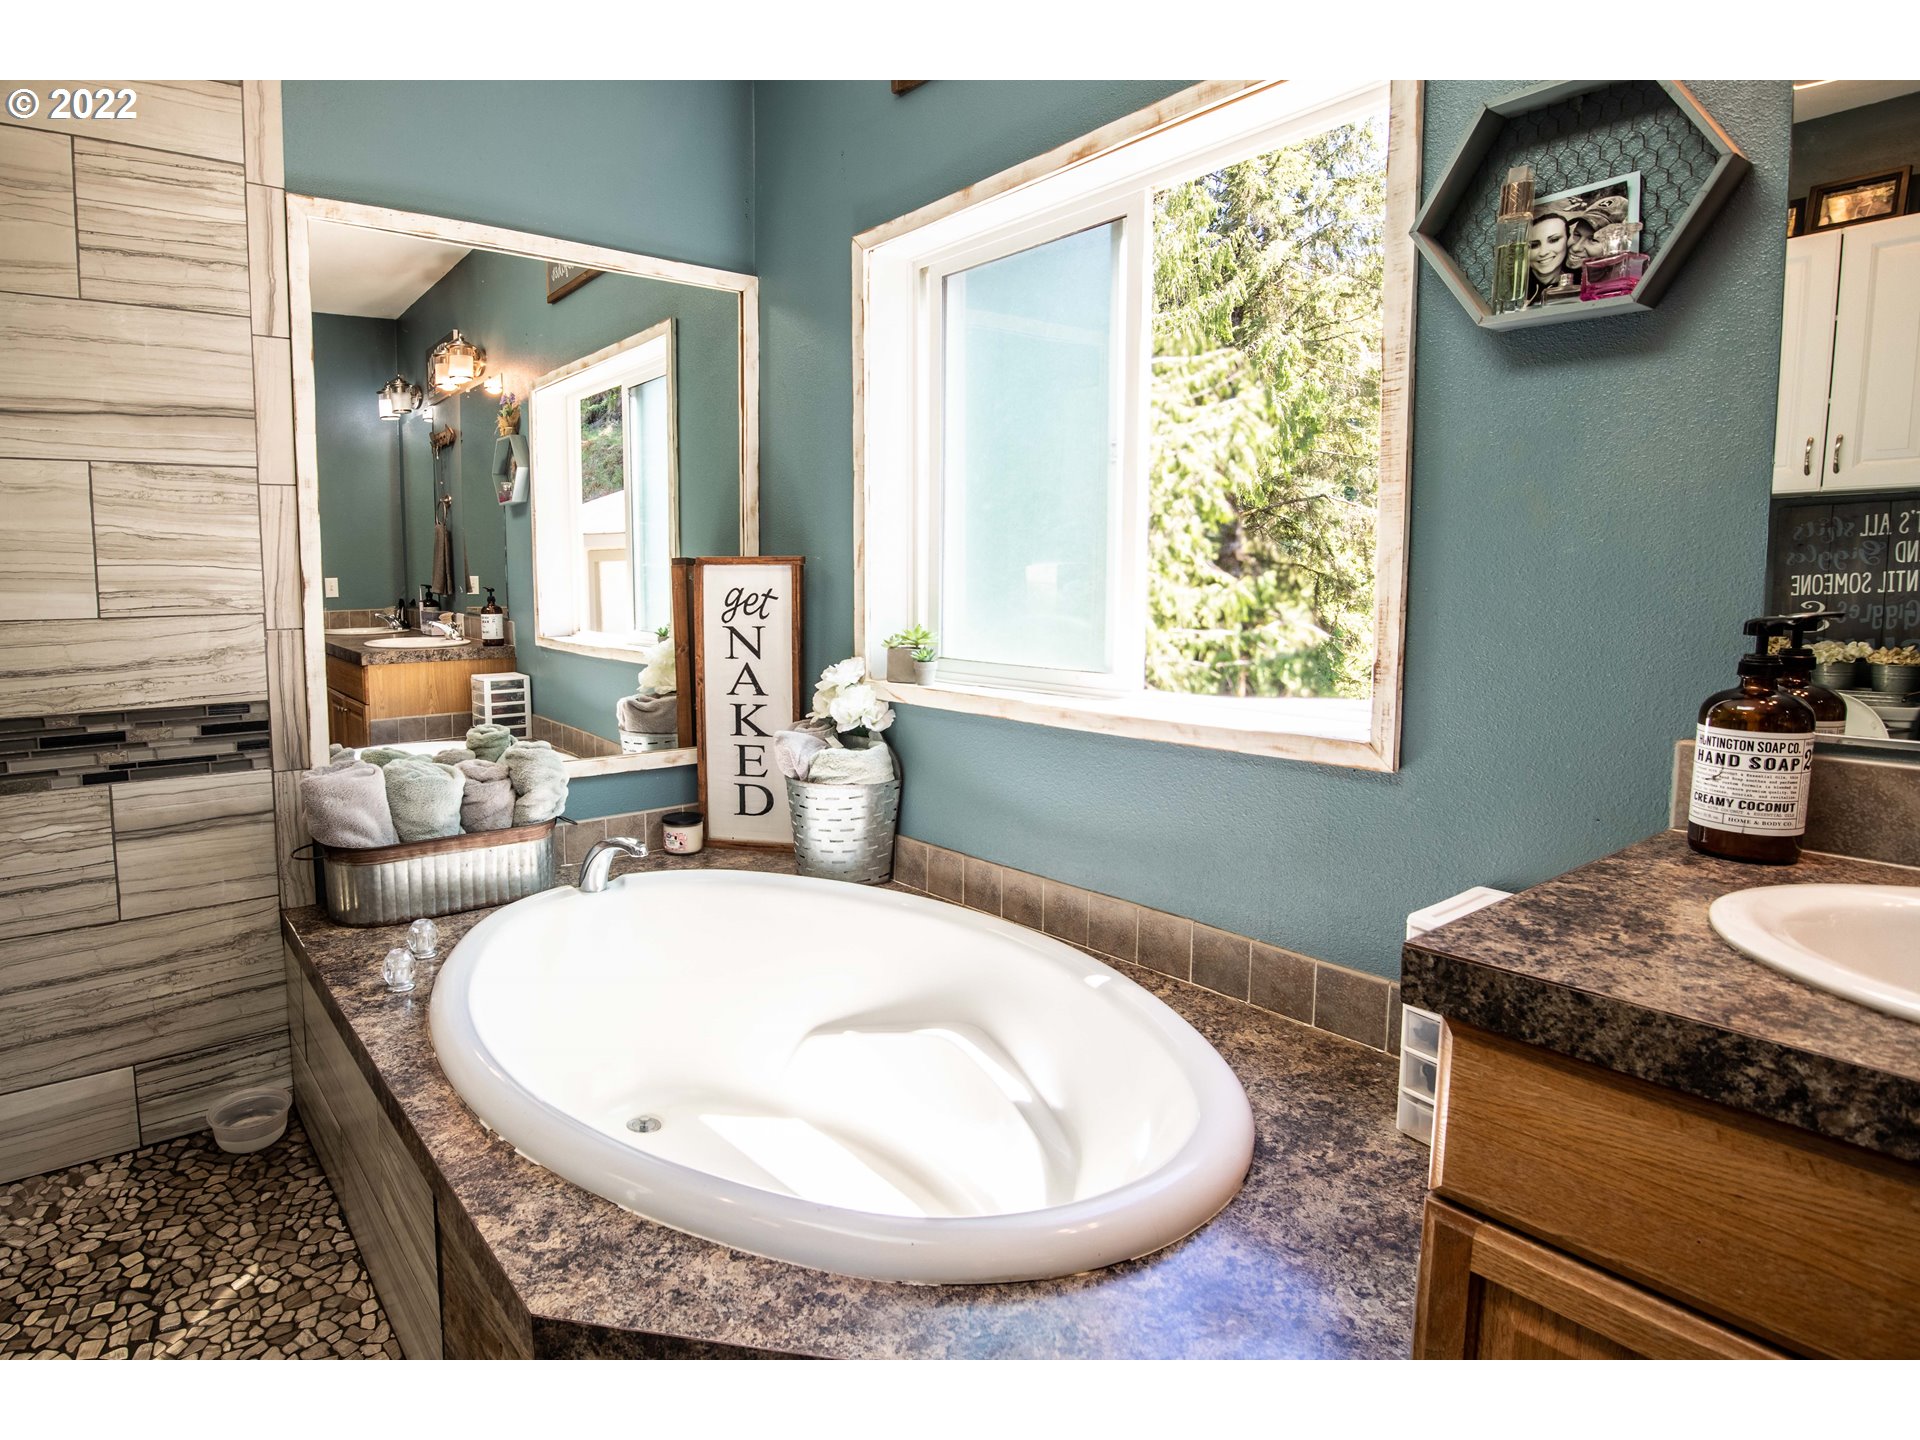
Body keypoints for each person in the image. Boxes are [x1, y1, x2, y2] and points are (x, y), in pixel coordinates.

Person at [1525, 208, 1572, 305]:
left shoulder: (1581, 281)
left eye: (1554, 240)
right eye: (1534, 245)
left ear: (1568, 240)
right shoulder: (1514, 289)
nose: (1543, 252)